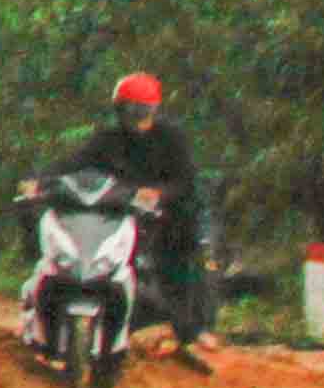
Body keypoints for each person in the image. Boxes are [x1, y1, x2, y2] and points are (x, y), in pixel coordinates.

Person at [26, 71, 209, 354]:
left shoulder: (171, 139)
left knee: (188, 255)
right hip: (122, 213)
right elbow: (73, 162)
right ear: (119, 109)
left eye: (142, 109)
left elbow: (187, 181)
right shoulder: (108, 139)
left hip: (169, 216)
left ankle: (193, 329)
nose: (136, 116)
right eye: (129, 108)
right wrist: (40, 181)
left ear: (154, 110)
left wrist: (159, 194)